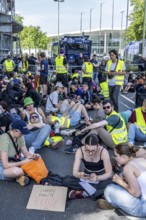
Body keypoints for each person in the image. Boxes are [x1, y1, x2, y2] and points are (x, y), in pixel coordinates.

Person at [99, 143, 146, 217]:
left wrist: (121, 182)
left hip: (143, 207)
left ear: (123, 157)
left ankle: (114, 203)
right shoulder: (142, 159)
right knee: (122, 176)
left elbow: (136, 193)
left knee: (109, 189)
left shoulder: (128, 167)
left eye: (116, 156)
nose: (115, 158)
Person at [64, 134, 113, 200]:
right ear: (84, 145)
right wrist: (80, 175)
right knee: (66, 180)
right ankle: (97, 193)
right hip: (86, 177)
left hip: (101, 178)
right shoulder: (80, 151)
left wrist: (98, 178)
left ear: (98, 146)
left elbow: (109, 173)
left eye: (93, 150)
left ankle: (84, 193)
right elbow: (75, 172)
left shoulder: (103, 152)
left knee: (112, 183)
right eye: (87, 150)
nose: (90, 153)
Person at [0, 120, 40, 186]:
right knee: (16, 171)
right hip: (2, 164)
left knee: (38, 158)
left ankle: (21, 176)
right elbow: (5, 165)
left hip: (14, 160)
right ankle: (20, 176)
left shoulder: (19, 136)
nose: (23, 135)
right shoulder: (4, 140)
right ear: (15, 130)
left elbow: (25, 152)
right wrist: (24, 162)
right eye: (21, 133)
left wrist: (32, 156)